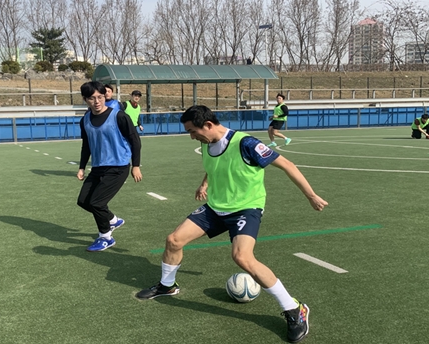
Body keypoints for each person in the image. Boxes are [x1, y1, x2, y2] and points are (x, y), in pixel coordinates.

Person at [136, 105, 328, 343]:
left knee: (242, 257)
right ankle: (167, 286)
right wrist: (205, 184)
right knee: (173, 240)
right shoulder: (207, 144)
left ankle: (294, 309)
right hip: (216, 207)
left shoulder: (246, 143)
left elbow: (286, 165)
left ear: (208, 125)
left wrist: (311, 196)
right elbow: (216, 165)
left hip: (245, 209)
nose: (191, 136)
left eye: (192, 131)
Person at [77, 81, 142, 252]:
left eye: (100, 97)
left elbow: (135, 140)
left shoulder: (119, 116)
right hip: (98, 167)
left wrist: (136, 165)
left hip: (118, 166)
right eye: (92, 98)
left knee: (97, 203)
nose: (97, 101)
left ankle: (105, 237)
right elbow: (86, 145)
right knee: (83, 201)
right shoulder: (85, 120)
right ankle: (112, 220)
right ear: (85, 100)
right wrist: (82, 167)